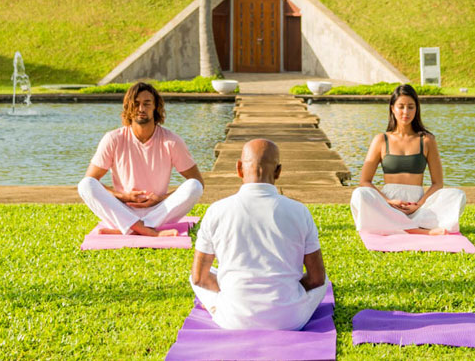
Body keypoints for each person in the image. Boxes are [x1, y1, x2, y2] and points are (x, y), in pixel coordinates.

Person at [190, 139, 327, 330]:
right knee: (325, 280)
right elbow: (317, 279)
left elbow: (199, 278)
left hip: (234, 319)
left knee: (198, 275)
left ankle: (223, 302)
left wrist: (236, 294)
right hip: (289, 320)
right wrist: (284, 294)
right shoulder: (300, 211)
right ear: (278, 171)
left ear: (239, 168)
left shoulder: (216, 210)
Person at [78, 81, 204, 237]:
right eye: (136, 104)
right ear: (128, 107)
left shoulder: (171, 141)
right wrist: (123, 196)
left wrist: (160, 199)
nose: (141, 109)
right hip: (122, 209)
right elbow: (92, 180)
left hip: (159, 211)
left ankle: (132, 228)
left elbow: (198, 181)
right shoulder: (113, 139)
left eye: (147, 103)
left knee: (195, 186)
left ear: (155, 107)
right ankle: (146, 230)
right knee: (85, 184)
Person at [350, 83, 466, 235]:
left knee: (457, 195)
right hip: (388, 206)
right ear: (392, 108)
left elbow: (437, 183)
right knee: (360, 194)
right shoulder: (381, 140)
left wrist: (418, 204)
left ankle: (398, 227)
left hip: (418, 206)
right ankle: (419, 230)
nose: (406, 112)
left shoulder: (427, 140)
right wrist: (389, 201)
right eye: (401, 106)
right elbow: (365, 181)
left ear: (416, 109)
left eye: (411, 107)